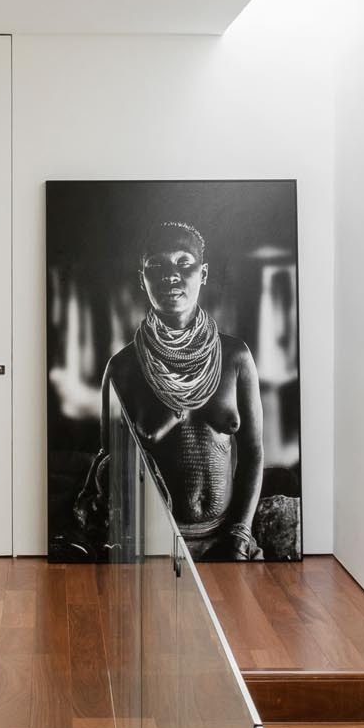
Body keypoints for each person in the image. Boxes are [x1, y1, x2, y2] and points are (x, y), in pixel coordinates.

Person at [98, 220, 264, 559]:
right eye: (155, 265)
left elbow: (253, 452)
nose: (170, 274)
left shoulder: (235, 357)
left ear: (203, 273)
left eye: (183, 262)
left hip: (226, 539)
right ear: (141, 278)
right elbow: (109, 465)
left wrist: (241, 534)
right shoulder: (123, 368)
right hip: (149, 542)